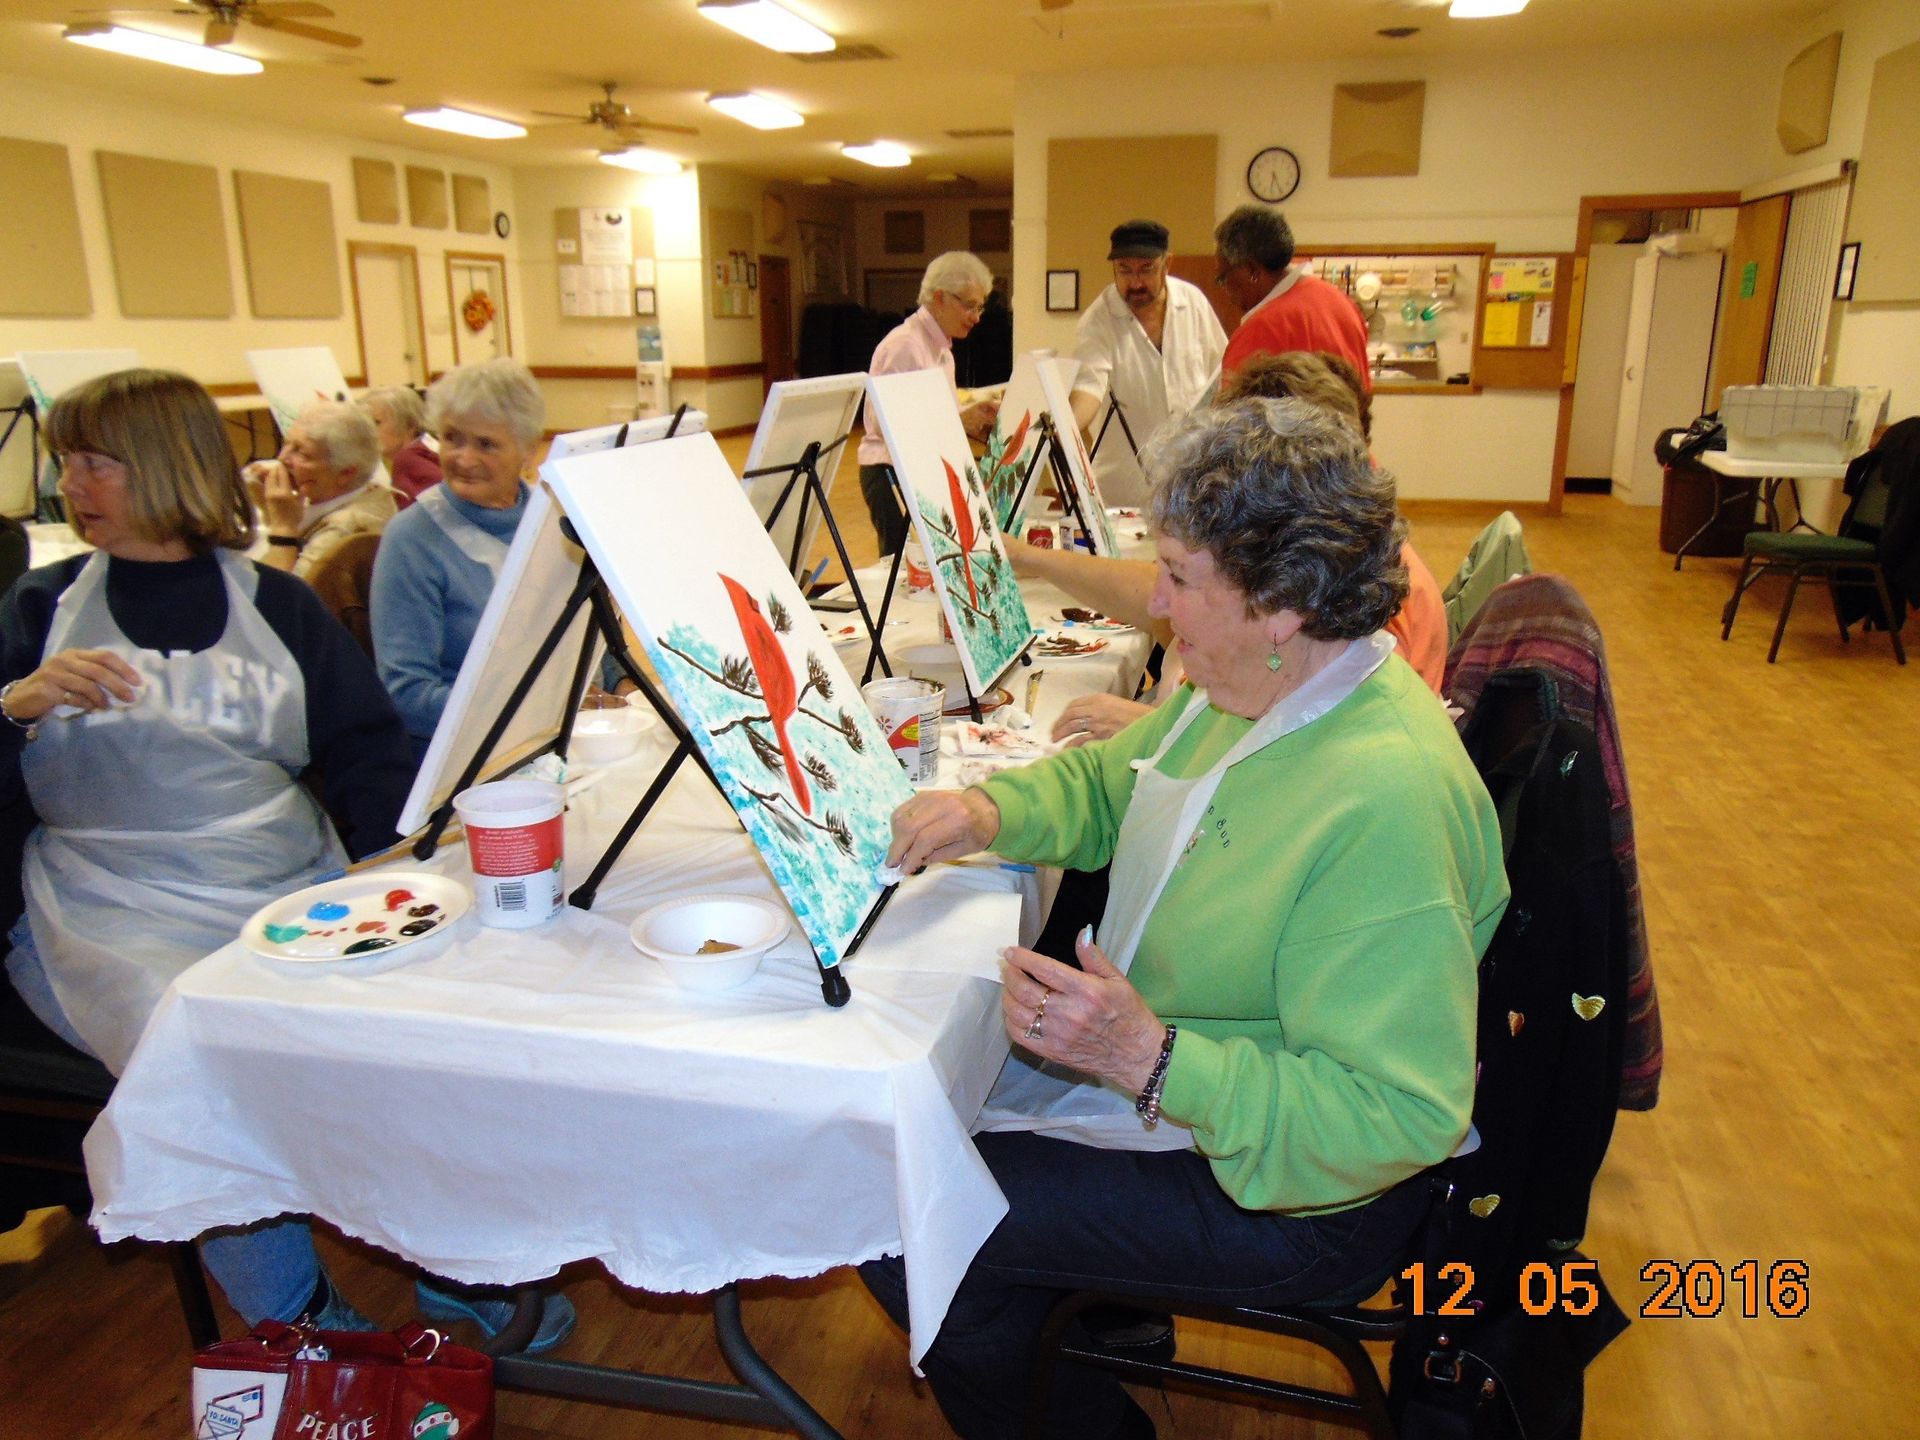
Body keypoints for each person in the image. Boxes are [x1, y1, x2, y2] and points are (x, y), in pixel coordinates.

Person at [868, 399, 1508, 1440]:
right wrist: (987, 811)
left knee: (899, 1213)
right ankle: (1065, 1317)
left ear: (1280, 604)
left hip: (1304, 1197)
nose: (1157, 605)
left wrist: (1152, 1060)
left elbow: (1399, 1115)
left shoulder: (1383, 799)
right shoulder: (1257, 686)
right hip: (1202, 1093)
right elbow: (1116, 781)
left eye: (1177, 575)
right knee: (916, 1145)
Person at [370, 358, 543, 758]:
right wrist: (532, 711)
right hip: (460, 755)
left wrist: (623, 688)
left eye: (486, 444)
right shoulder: (411, 539)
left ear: (528, 450)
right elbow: (407, 695)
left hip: (560, 733)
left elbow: (594, 640)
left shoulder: (553, 519)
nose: (463, 458)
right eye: (452, 438)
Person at [1068, 219, 1226, 507]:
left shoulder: (1193, 303)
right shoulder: (1098, 321)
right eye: (1124, 270)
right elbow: (1088, 389)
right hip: (1123, 490)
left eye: (1146, 269)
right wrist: (1063, 428)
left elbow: (1223, 374)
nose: (1136, 282)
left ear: (1167, 264)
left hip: (1192, 480)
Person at [856, 251, 1001, 555]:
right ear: (939, 298)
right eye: (969, 305)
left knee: (933, 561)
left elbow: (935, 410)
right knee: (904, 565)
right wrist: (958, 420)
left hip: (917, 468)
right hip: (889, 470)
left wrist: (973, 411)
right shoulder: (905, 345)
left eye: (980, 307)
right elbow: (888, 423)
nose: (976, 317)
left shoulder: (942, 350)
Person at [1214, 204, 1371, 389]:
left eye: (1223, 278)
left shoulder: (1261, 330)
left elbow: (1233, 405)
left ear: (1252, 270)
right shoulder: (1341, 302)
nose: (1225, 290)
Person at [250, 401, 397, 580]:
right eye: (286, 444)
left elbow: (276, 593)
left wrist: (284, 528)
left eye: (302, 454)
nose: (282, 458)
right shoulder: (351, 492)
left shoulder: (344, 528)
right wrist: (268, 505)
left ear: (346, 473)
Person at [359, 385, 442, 507]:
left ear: (410, 424)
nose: (368, 431)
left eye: (376, 422)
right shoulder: (428, 449)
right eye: (365, 424)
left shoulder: (409, 460)